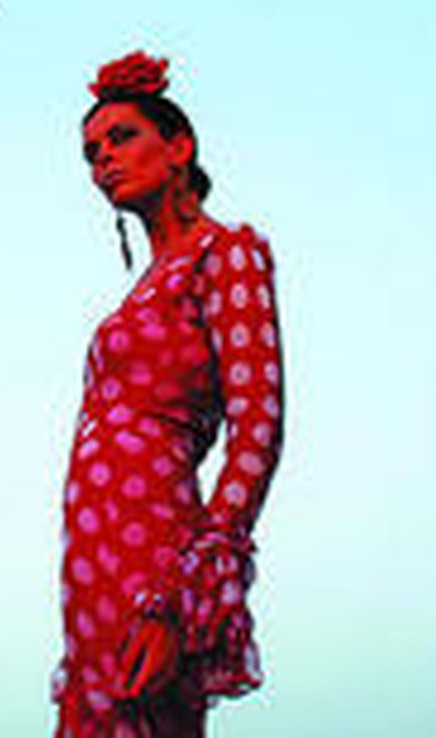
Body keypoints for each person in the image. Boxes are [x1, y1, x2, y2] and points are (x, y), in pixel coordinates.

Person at [50, 51, 284, 737]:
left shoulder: (226, 253)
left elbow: (258, 426)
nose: (103, 160)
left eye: (121, 137)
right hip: (90, 559)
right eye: (91, 153)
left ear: (179, 147)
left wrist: (185, 599)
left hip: (153, 554)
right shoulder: (146, 286)